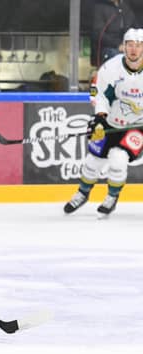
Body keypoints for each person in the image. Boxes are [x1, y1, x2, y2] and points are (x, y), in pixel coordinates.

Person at [64, 28, 143, 216]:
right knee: (93, 161)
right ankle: (82, 194)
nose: (134, 49)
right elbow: (95, 92)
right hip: (111, 121)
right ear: (123, 47)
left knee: (118, 158)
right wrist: (99, 118)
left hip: (138, 126)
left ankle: (112, 197)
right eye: (130, 45)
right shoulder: (110, 68)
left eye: (139, 46)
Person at [91, 0, 137, 67]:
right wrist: (118, 45)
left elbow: (134, 27)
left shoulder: (125, 6)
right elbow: (98, 34)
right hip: (109, 47)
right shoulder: (100, 7)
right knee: (118, 57)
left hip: (126, 45)